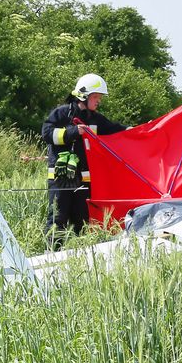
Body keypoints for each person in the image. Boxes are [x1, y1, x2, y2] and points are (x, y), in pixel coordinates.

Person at [40, 73, 127, 249]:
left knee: (83, 221)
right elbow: (47, 134)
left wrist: (143, 130)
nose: (98, 101)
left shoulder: (95, 119)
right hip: (61, 179)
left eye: (99, 98)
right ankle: (52, 254)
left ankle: (79, 258)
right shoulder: (61, 114)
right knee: (58, 219)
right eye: (96, 97)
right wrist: (73, 132)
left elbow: (117, 130)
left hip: (83, 180)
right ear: (83, 95)